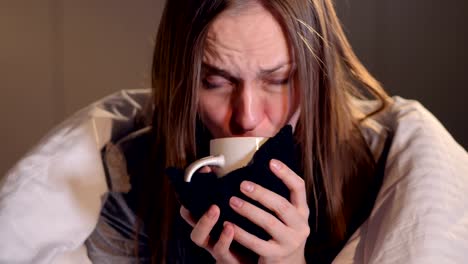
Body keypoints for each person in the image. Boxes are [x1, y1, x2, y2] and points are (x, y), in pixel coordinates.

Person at [2, 0, 467, 263]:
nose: (247, 116)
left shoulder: (381, 169)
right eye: (216, 82)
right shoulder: (132, 179)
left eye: (279, 79)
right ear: (182, 82)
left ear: (316, 76)